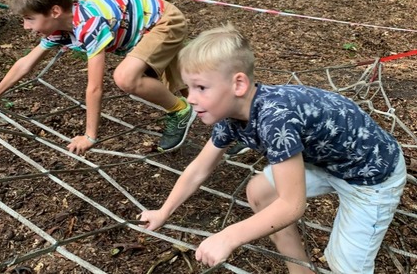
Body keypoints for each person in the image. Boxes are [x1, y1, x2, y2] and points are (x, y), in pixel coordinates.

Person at [139, 23, 407, 273]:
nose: (191, 99)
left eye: (201, 87)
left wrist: (228, 236)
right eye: (189, 88)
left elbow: (293, 205)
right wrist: (163, 211)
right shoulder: (231, 115)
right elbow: (199, 168)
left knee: (345, 266)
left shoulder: (275, 119)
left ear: (239, 84)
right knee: (260, 192)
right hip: (327, 161)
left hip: (371, 175)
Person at [0, 0, 196, 154]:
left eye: (30, 18)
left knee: (125, 77)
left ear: (55, 11)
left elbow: (95, 86)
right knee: (191, 86)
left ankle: (179, 111)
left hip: (163, 22)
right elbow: (26, 63)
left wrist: (90, 136)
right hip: (143, 30)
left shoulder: (89, 25)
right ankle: (228, 124)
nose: (26, 27)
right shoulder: (60, 28)